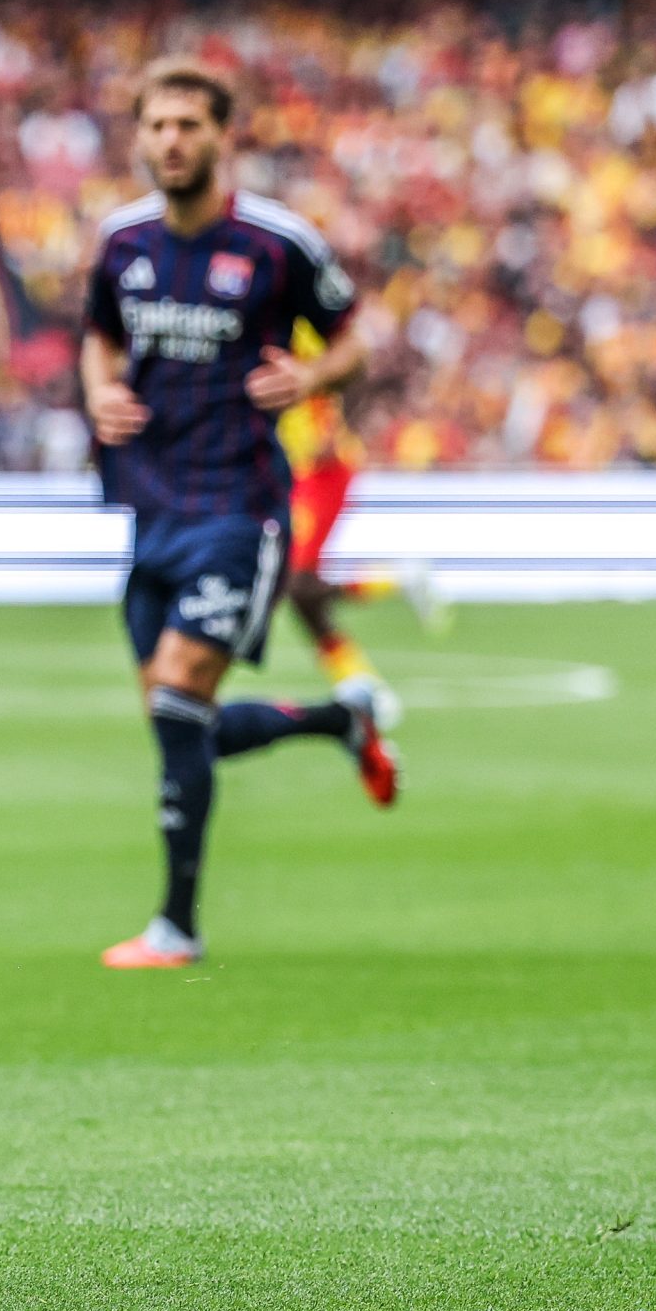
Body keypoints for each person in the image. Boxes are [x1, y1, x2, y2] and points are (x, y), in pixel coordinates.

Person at [79, 59, 401, 972]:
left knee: (181, 694)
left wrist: (311, 375)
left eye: (189, 124)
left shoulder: (276, 244)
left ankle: (176, 927)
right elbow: (98, 335)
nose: (171, 141)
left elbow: (355, 341)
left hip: (240, 505)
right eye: (156, 125)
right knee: (180, 722)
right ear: (138, 137)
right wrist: (101, 390)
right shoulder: (121, 241)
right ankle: (342, 722)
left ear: (225, 136)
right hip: (151, 505)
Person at [278, 344, 445, 730]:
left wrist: (334, 428)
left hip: (321, 470)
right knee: (300, 596)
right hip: (294, 471)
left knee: (299, 585)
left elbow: (351, 361)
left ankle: (396, 582)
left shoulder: (299, 321)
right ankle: (364, 685)